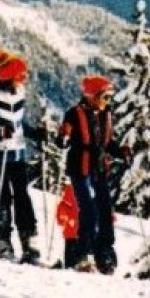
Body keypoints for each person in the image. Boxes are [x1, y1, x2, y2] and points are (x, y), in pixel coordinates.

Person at [0, 49, 47, 262]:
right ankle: (3, 239)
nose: (23, 79)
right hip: (0, 155)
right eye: (20, 75)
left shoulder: (19, 94)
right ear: (9, 75)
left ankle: (28, 239)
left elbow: (19, 124)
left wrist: (36, 133)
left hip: (17, 154)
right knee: (2, 197)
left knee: (22, 197)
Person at [60, 75, 123, 273]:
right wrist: (63, 135)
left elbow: (108, 142)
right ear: (91, 96)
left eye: (110, 97)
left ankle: (104, 252)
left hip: (99, 168)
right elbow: (63, 140)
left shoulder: (106, 114)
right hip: (80, 168)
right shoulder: (74, 114)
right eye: (105, 96)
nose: (108, 101)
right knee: (88, 210)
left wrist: (120, 151)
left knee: (105, 210)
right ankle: (82, 254)